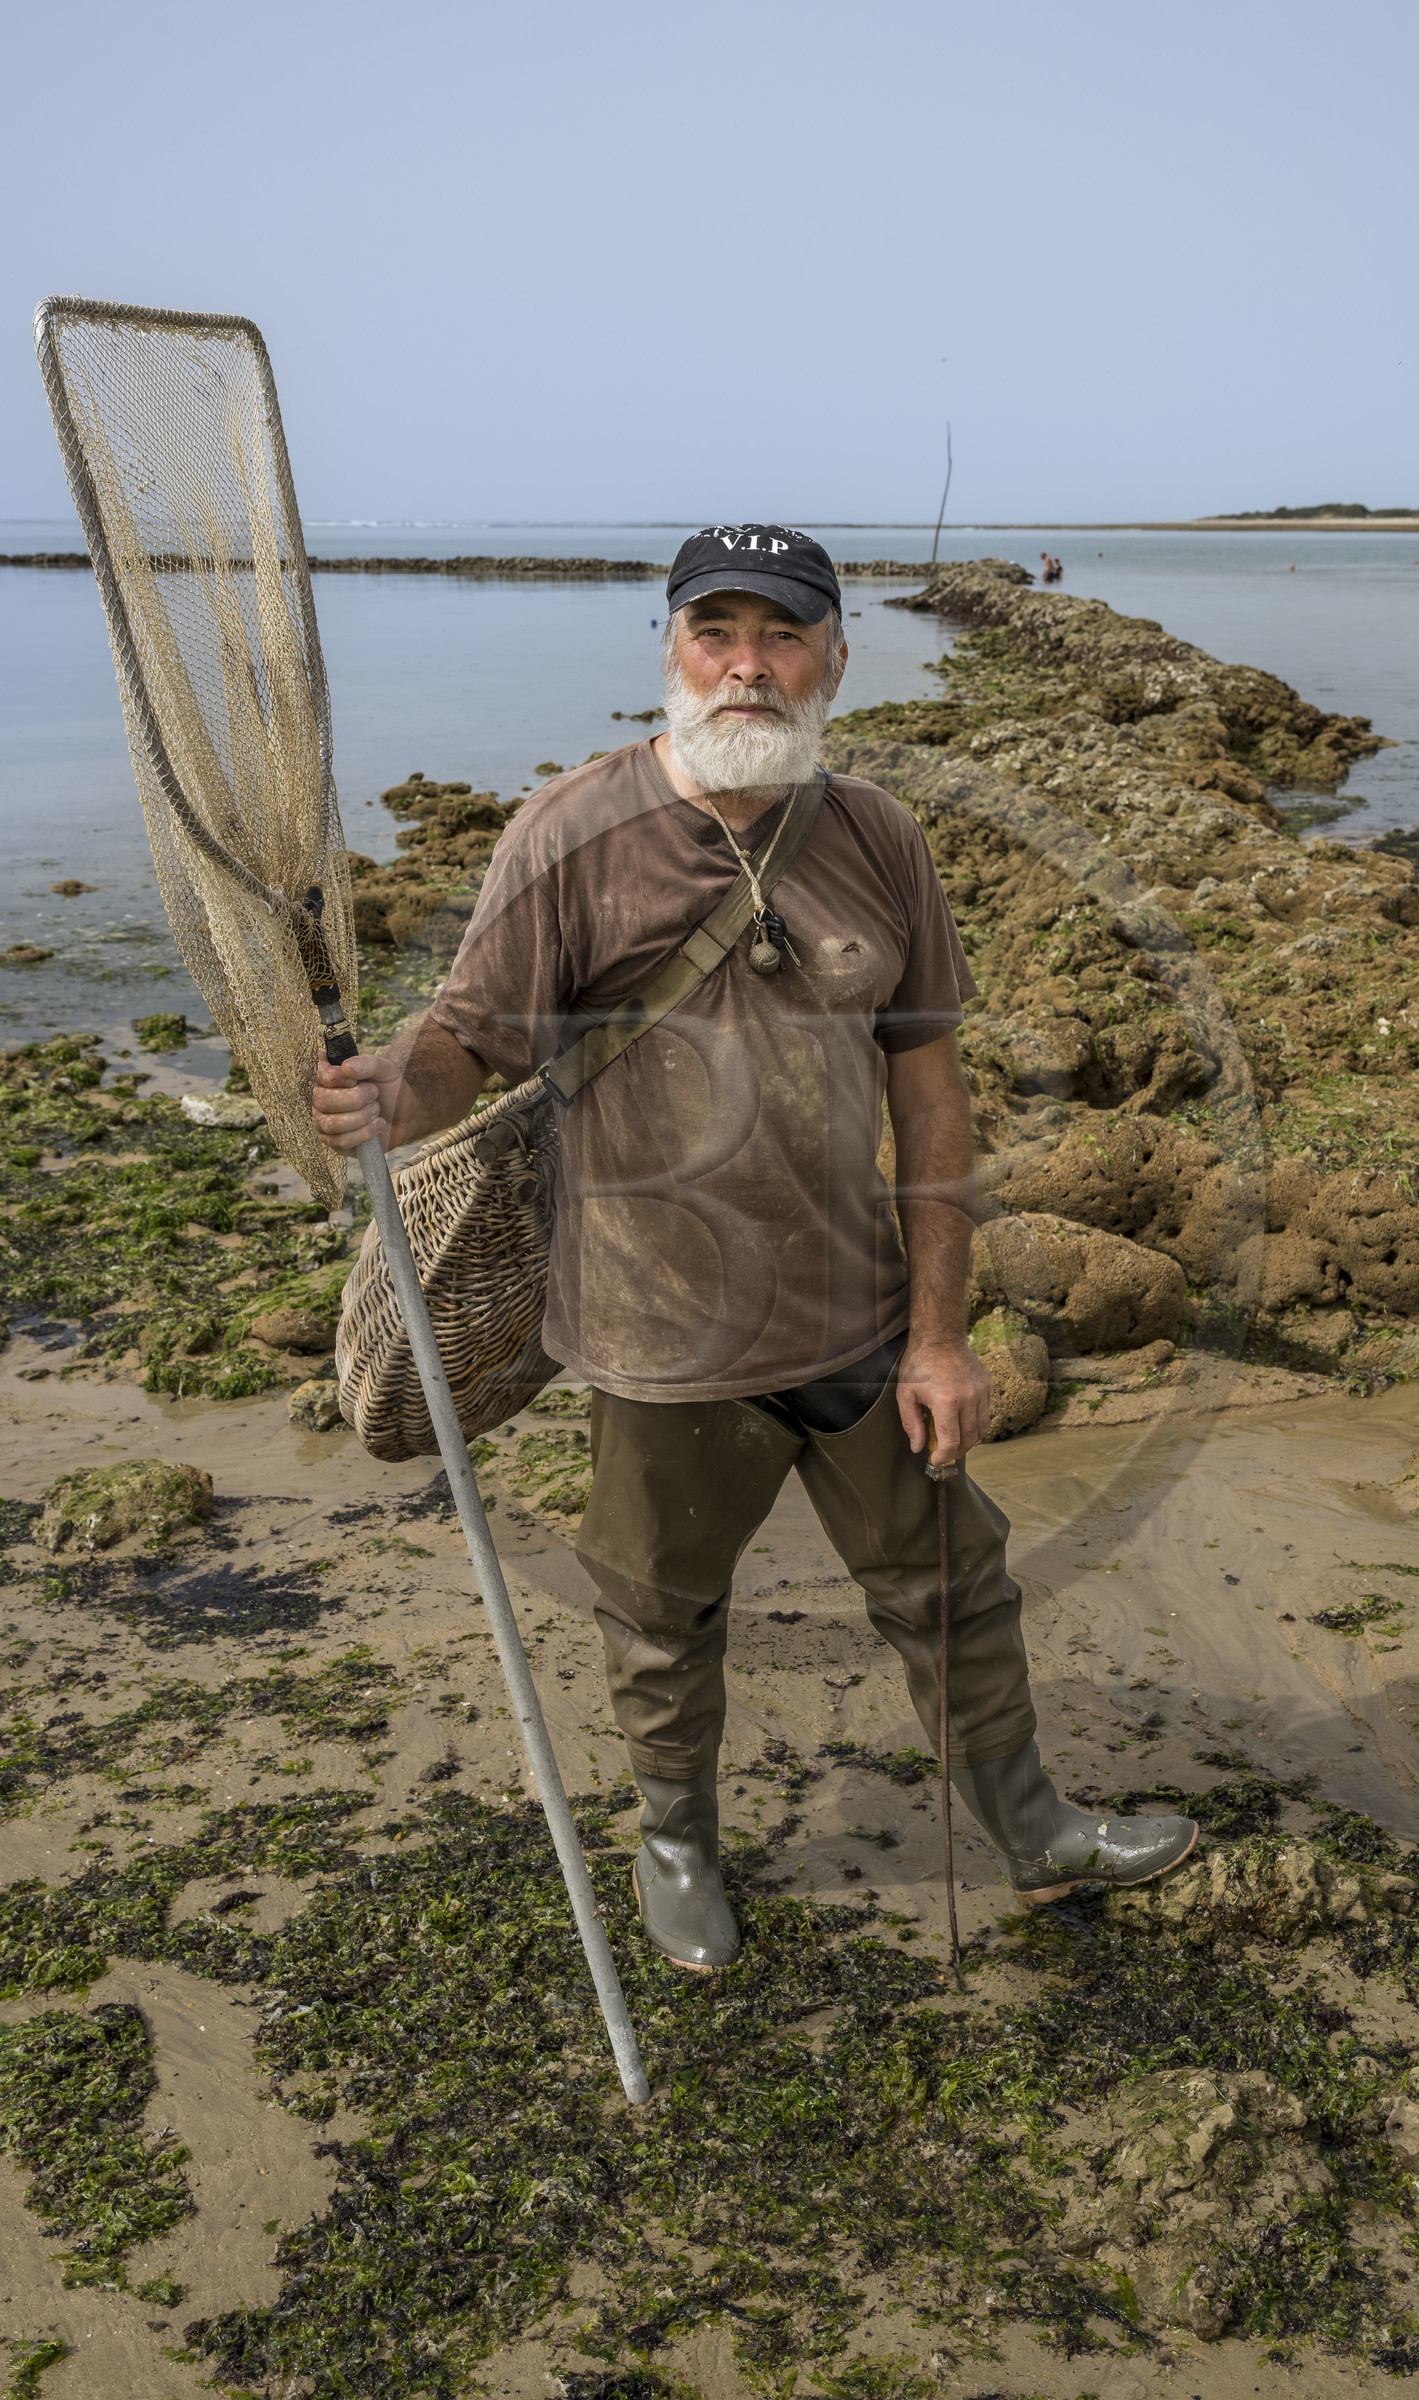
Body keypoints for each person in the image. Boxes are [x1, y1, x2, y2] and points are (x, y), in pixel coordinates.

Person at [312, 523, 1196, 1970]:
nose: (748, 666)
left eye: (782, 636)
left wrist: (940, 1336)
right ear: (670, 650)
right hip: (655, 1332)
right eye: (715, 632)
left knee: (954, 1583)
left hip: (855, 1317)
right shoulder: (568, 832)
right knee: (661, 1614)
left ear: (835, 660)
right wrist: (389, 1095)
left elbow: (931, 1095)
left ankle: (1032, 1825)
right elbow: (469, 1040)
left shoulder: (881, 837)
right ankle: (677, 1846)